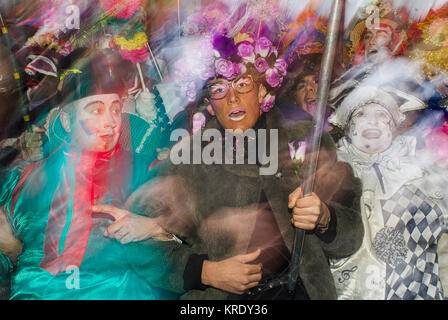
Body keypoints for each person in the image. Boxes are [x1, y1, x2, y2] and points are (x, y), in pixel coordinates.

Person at [111, 31, 364, 300]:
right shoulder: (190, 157)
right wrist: (204, 272)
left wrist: (325, 218)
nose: (232, 98)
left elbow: (352, 235)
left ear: (263, 90)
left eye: (242, 84)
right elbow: (139, 242)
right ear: (210, 100)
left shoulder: (306, 140)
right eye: (219, 89)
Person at [0, 55, 171, 299]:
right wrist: (11, 251)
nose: (111, 122)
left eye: (115, 109)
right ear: (67, 121)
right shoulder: (22, 178)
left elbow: (186, 242)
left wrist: (157, 229)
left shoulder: (146, 171)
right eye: (96, 110)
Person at [328, 85, 448, 299]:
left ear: (394, 125)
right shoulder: (330, 171)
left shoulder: (420, 173)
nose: (372, 121)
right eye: (361, 114)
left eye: (382, 114)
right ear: (347, 126)